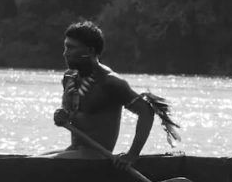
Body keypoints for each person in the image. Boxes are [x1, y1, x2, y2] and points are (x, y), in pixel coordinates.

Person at [49, 20, 180, 165]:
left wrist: (132, 155)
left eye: (71, 48)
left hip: (97, 157)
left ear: (91, 51)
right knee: (29, 160)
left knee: (41, 164)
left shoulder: (110, 82)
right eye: (65, 47)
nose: (65, 53)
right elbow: (69, 112)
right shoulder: (69, 78)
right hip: (73, 151)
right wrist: (61, 115)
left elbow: (146, 112)